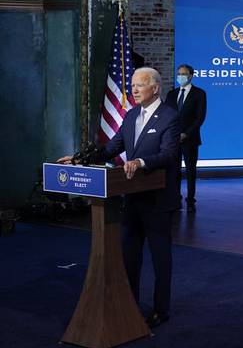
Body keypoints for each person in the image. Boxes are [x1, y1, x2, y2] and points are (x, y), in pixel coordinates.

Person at [58, 67, 180, 328]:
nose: (133, 90)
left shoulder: (170, 117)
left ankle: (161, 310)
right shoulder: (131, 114)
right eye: (132, 85)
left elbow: (169, 155)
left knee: (160, 258)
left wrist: (141, 161)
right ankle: (130, 303)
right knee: (129, 256)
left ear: (155, 88)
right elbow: (113, 148)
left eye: (139, 85)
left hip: (158, 200)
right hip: (132, 198)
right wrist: (80, 158)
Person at [165, 64, 207, 212]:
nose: (180, 76)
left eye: (183, 74)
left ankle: (190, 200)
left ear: (190, 76)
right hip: (173, 140)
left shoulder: (199, 93)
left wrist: (186, 133)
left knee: (190, 170)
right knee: (173, 170)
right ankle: (175, 199)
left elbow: (199, 118)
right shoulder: (171, 94)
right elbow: (167, 116)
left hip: (190, 139)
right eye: (179, 73)